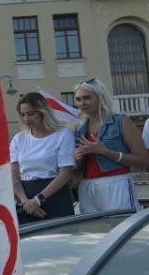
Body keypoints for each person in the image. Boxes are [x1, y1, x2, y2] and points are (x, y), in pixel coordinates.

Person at [73, 78, 149, 213]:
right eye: (78, 99)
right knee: (93, 232)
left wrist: (105, 151)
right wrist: (77, 159)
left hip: (117, 183)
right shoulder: (79, 129)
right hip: (87, 186)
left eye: (87, 98)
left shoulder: (121, 121)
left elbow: (143, 160)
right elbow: (77, 170)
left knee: (122, 228)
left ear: (100, 97)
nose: (82, 103)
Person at [10, 92, 77, 222]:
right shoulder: (18, 139)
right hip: (26, 201)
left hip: (55, 197)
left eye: (30, 114)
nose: (26, 119)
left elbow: (65, 174)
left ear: (43, 112)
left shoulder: (63, 135)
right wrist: (26, 203)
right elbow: (14, 179)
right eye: (23, 114)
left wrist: (38, 200)